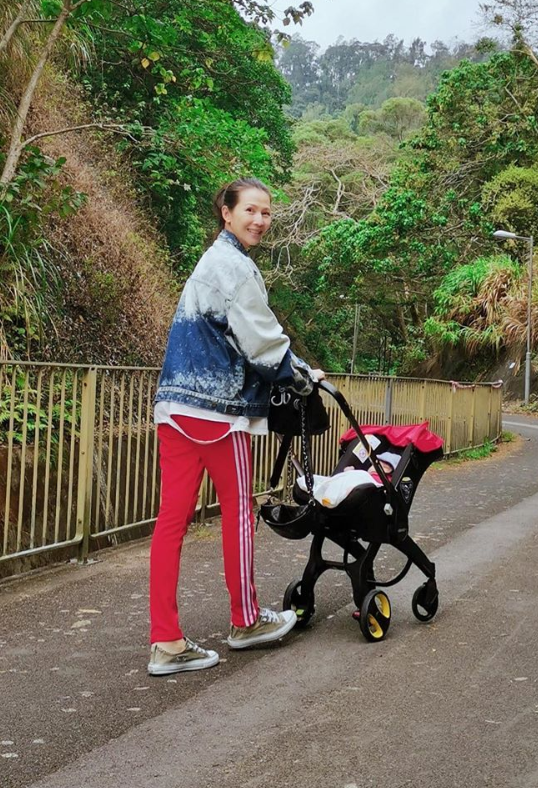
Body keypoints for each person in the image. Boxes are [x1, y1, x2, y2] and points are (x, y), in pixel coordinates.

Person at [147, 177, 325, 676]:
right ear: (226, 212)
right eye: (250, 210)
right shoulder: (235, 267)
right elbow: (263, 343)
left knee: (171, 523)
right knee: (239, 516)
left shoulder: (210, 262)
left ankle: (165, 641)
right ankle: (246, 621)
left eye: (267, 213)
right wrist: (306, 376)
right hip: (217, 411)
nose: (260, 220)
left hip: (175, 406)